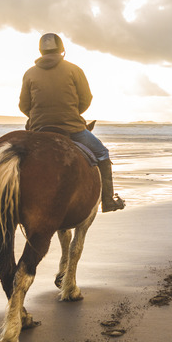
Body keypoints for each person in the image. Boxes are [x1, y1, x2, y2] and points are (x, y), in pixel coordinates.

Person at [19, 33, 126, 212]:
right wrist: (71, 114)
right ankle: (108, 201)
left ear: (40, 50)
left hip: (39, 129)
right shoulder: (74, 70)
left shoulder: (29, 73)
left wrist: (39, 118)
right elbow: (86, 99)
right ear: (62, 50)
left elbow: (24, 105)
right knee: (102, 154)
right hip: (72, 128)